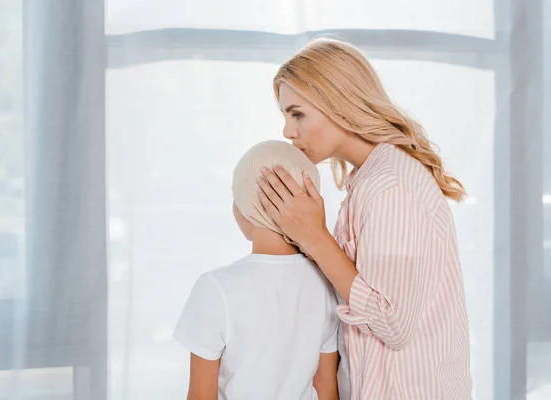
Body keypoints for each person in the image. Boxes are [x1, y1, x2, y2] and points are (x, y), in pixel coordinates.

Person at [257, 38, 473, 399]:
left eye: (297, 114)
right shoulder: (370, 181)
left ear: (338, 102)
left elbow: (392, 322)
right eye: (285, 116)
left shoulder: (390, 187)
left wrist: (315, 237)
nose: (287, 131)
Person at [173, 140, 340, 400]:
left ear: (245, 208)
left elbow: (200, 395)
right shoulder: (326, 283)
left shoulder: (216, 288)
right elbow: (326, 384)